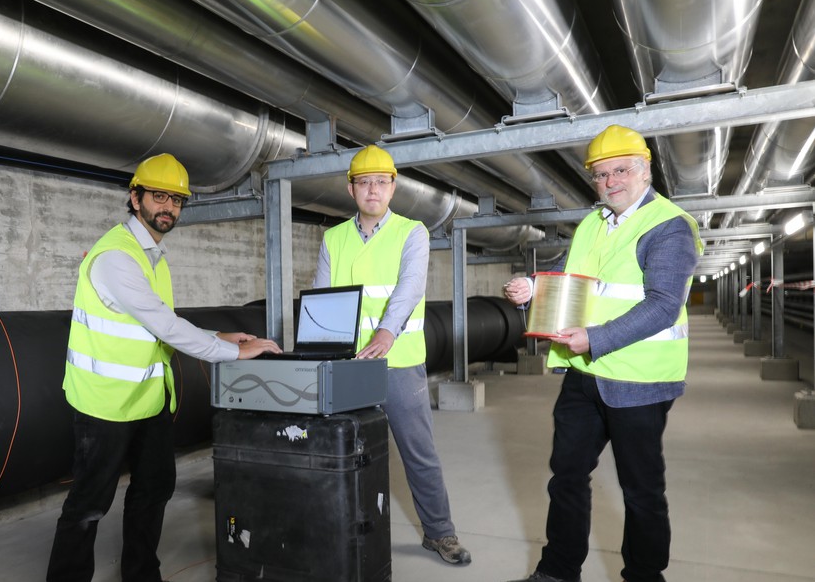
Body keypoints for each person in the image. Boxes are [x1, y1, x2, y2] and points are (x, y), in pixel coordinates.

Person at [46, 153, 281, 582]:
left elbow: (158, 320)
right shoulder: (117, 257)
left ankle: (141, 574)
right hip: (104, 406)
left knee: (153, 492)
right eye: (159, 197)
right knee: (89, 504)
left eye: (176, 200)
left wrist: (222, 335)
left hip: (149, 401)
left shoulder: (152, 254)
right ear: (135, 198)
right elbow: (166, 326)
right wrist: (232, 354)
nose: (168, 208)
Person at [503, 125, 702, 582]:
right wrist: (534, 286)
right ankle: (557, 571)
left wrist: (595, 338)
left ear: (645, 170)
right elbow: (574, 273)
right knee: (566, 476)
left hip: (638, 381)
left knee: (641, 490)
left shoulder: (669, 226)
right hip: (584, 375)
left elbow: (663, 306)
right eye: (600, 174)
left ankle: (644, 576)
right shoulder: (594, 222)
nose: (610, 182)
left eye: (620, 171)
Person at [313, 144, 472, 566]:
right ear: (351, 189)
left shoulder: (412, 232)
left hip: (398, 361)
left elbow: (410, 287)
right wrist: (319, 349)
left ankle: (440, 532)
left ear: (393, 186)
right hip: (350, 365)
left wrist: (387, 332)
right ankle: (343, 527)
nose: (372, 190)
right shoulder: (333, 238)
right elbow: (325, 299)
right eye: (364, 183)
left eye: (380, 182)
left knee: (418, 450)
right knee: (345, 450)